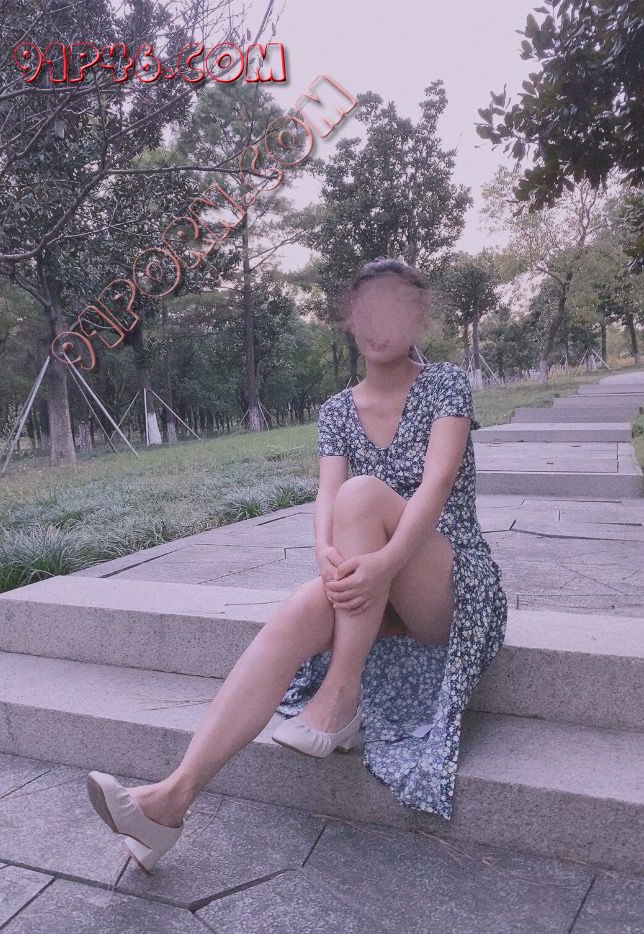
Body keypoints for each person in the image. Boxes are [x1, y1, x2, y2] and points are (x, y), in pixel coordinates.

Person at [86, 257, 509, 872]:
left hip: (449, 585)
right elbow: (323, 497)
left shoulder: (445, 384)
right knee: (297, 608)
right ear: (347, 320)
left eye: (394, 309)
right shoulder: (337, 409)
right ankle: (170, 801)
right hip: (375, 583)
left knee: (362, 496)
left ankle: (340, 697)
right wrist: (327, 560)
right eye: (365, 311)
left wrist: (385, 561)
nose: (378, 324)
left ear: (419, 319)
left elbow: (436, 485)